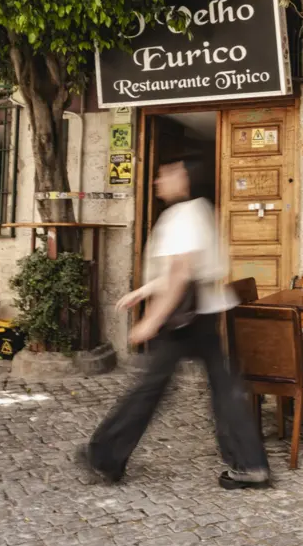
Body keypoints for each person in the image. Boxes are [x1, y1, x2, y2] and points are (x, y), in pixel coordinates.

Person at [76, 158, 270, 489]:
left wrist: (151, 320)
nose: (159, 181)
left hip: (184, 318)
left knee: (149, 388)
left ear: (186, 180)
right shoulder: (202, 211)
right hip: (206, 312)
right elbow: (186, 269)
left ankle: (105, 456)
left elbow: (180, 272)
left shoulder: (183, 216)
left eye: (168, 174)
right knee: (224, 388)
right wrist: (144, 291)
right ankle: (250, 464)